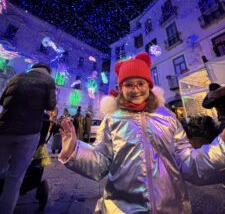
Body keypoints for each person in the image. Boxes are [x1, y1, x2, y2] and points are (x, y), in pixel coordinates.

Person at [58, 52, 225, 214]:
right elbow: (101, 163)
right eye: (128, 84)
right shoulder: (112, 119)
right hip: (121, 209)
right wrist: (74, 151)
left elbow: (187, 162)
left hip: (173, 207)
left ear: (149, 85)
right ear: (120, 88)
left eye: (140, 83)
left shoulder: (168, 117)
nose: (135, 89)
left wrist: (221, 147)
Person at [0, 63, 56, 214]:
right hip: (28, 131)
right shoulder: (48, 81)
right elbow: (51, 105)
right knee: (15, 177)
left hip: (4, 129)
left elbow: (2, 100)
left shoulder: (16, 77)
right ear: (47, 72)